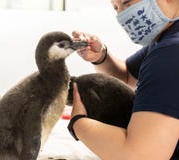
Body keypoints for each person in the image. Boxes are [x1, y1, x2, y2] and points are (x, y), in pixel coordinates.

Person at [68, 0, 179, 159]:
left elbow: (141, 156)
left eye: (127, 3)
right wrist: (101, 57)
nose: (122, 15)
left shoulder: (169, 53)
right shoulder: (164, 42)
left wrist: (79, 123)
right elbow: (127, 76)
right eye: (116, 8)